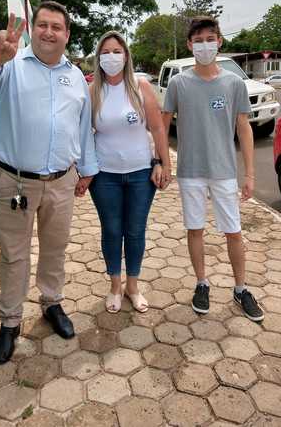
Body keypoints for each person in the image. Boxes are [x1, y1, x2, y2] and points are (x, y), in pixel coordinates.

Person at [0, 1, 98, 364]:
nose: (49, 32)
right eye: (42, 25)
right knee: (14, 254)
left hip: (61, 181)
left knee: (56, 249)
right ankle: (10, 321)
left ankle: (51, 303)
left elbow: (83, 126)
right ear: (33, 29)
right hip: (16, 183)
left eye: (57, 27)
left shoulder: (75, 76)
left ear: (67, 34)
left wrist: (87, 169)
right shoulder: (11, 63)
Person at [162, 16, 264, 322]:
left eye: (210, 38)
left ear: (219, 41)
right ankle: (201, 283)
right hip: (190, 170)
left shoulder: (233, 83)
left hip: (224, 171)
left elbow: (244, 129)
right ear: (189, 44)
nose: (204, 44)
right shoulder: (179, 83)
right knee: (196, 230)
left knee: (233, 231)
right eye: (198, 39)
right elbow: (163, 124)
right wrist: (163, 162)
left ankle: (241, 288)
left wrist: (249, 174)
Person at [77, 31, 171, 313]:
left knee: (135, 231)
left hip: (141, 175)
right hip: (105, 177)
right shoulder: (91, 91)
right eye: (105, 52)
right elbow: (83, 135)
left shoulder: (141, 87)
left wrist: (164, 163)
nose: (112, 57)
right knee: (112, 230)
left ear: (126, 55)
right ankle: (114, 286)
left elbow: (157, 128)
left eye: (117, 51)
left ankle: (133, 286)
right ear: (98, 57)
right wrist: (84, 171)